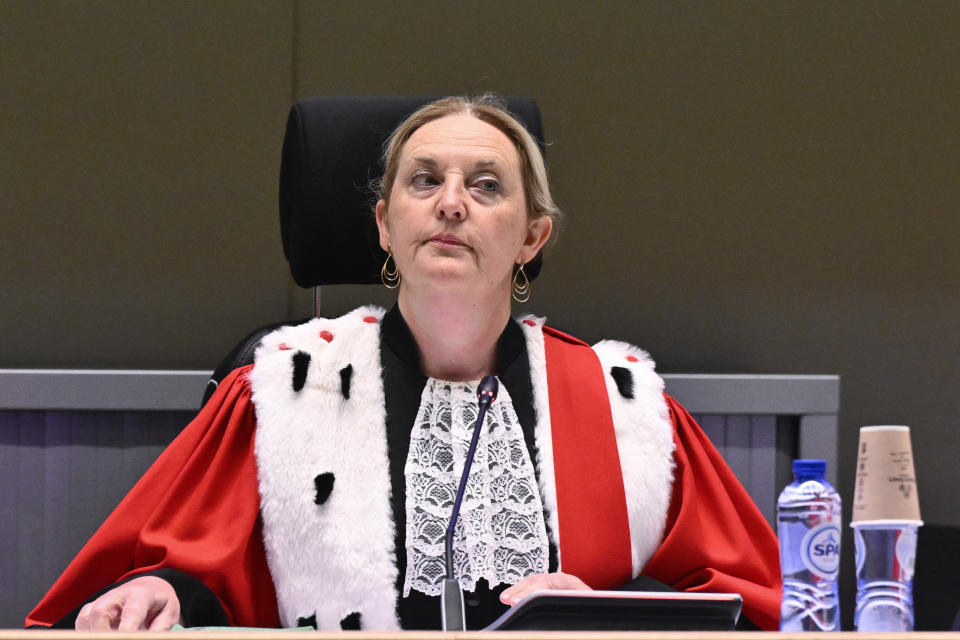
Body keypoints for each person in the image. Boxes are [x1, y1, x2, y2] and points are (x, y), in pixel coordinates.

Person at [27, 95, 781, 632]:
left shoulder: (625, 407)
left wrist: (604, 616)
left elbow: (748, 605)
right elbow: (189, 572)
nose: (452, 203)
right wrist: (160, 594)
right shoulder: (286, 389)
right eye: (425, 181)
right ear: (385, 225)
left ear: (532, 239)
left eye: (486, 186)